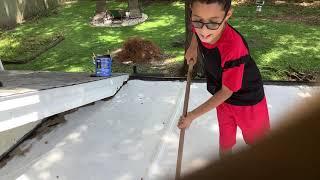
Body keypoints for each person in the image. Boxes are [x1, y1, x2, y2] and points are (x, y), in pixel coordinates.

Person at [177, 0, 270, 156]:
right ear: (191, 12)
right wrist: (193, 47)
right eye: (198, 20)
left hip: (248, 100)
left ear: (227, 16)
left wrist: (191, 116)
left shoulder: (233, 46)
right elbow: (197, 29)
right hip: (222, 97)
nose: (204, 31)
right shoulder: (200, 24)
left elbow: (228, 91)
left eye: (213, 23)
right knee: (225, 142)